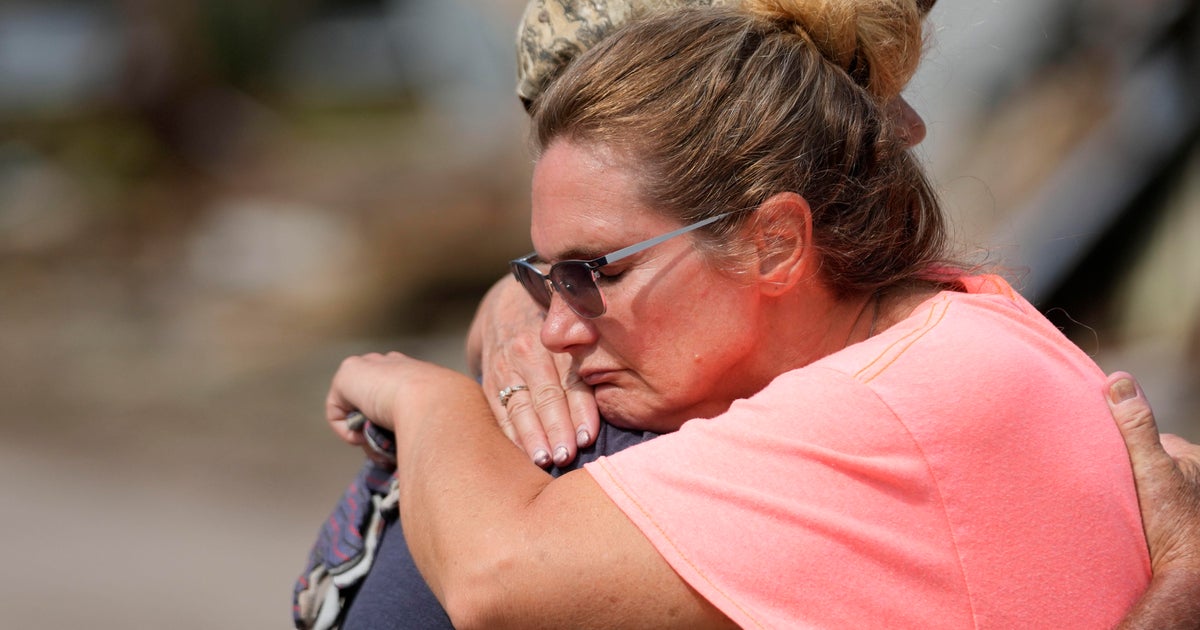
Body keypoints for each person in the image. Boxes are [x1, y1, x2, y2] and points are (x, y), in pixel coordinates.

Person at [317, 2, 1175, 627]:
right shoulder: (938, 332)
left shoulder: (894, 402)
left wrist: (421, 396)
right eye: (544, 277)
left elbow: (493, 577)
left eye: (597, 272)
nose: (555, 330)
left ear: (774, 244)